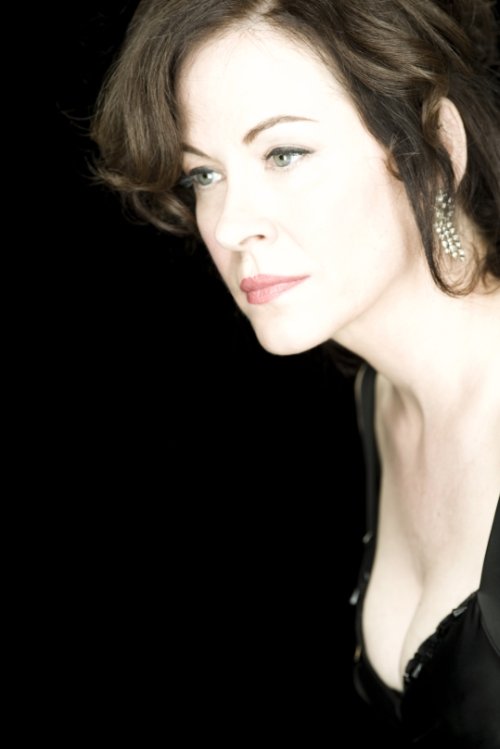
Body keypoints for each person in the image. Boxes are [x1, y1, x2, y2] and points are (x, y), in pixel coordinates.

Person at [92, 0, 500, 743]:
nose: (228, 225)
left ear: (435, 146)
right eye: (203, 174)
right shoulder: (381, 399)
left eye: (284, 154)